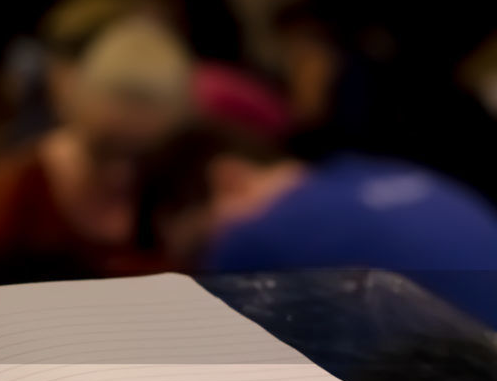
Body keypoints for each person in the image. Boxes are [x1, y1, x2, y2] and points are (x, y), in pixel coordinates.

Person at [136, 122, 497, 328]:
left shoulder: (250, 239)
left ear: (230, 179)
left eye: (199, 251)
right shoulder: (389, 172)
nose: (207, 266)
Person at [0, 15, 190, 283]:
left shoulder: (168, 180)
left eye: (136, 151)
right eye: (107, 147)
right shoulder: (20, 180)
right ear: (86, 96)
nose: (119, 173)